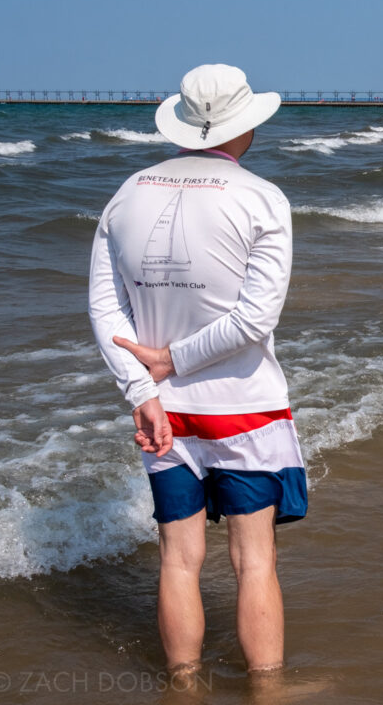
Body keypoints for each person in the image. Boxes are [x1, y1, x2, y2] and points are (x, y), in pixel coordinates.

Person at [88, 64, 306, 680]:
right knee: (254, 562)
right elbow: (255, 319)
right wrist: (176, 358)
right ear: (247, 126)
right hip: (243, 405)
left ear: (183, 122)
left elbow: (106, 310)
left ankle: (182, 687)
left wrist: (143, 385)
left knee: (178, 561)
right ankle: (267, 692)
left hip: (162, 410)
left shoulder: (127, 194)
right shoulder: (261, 197)